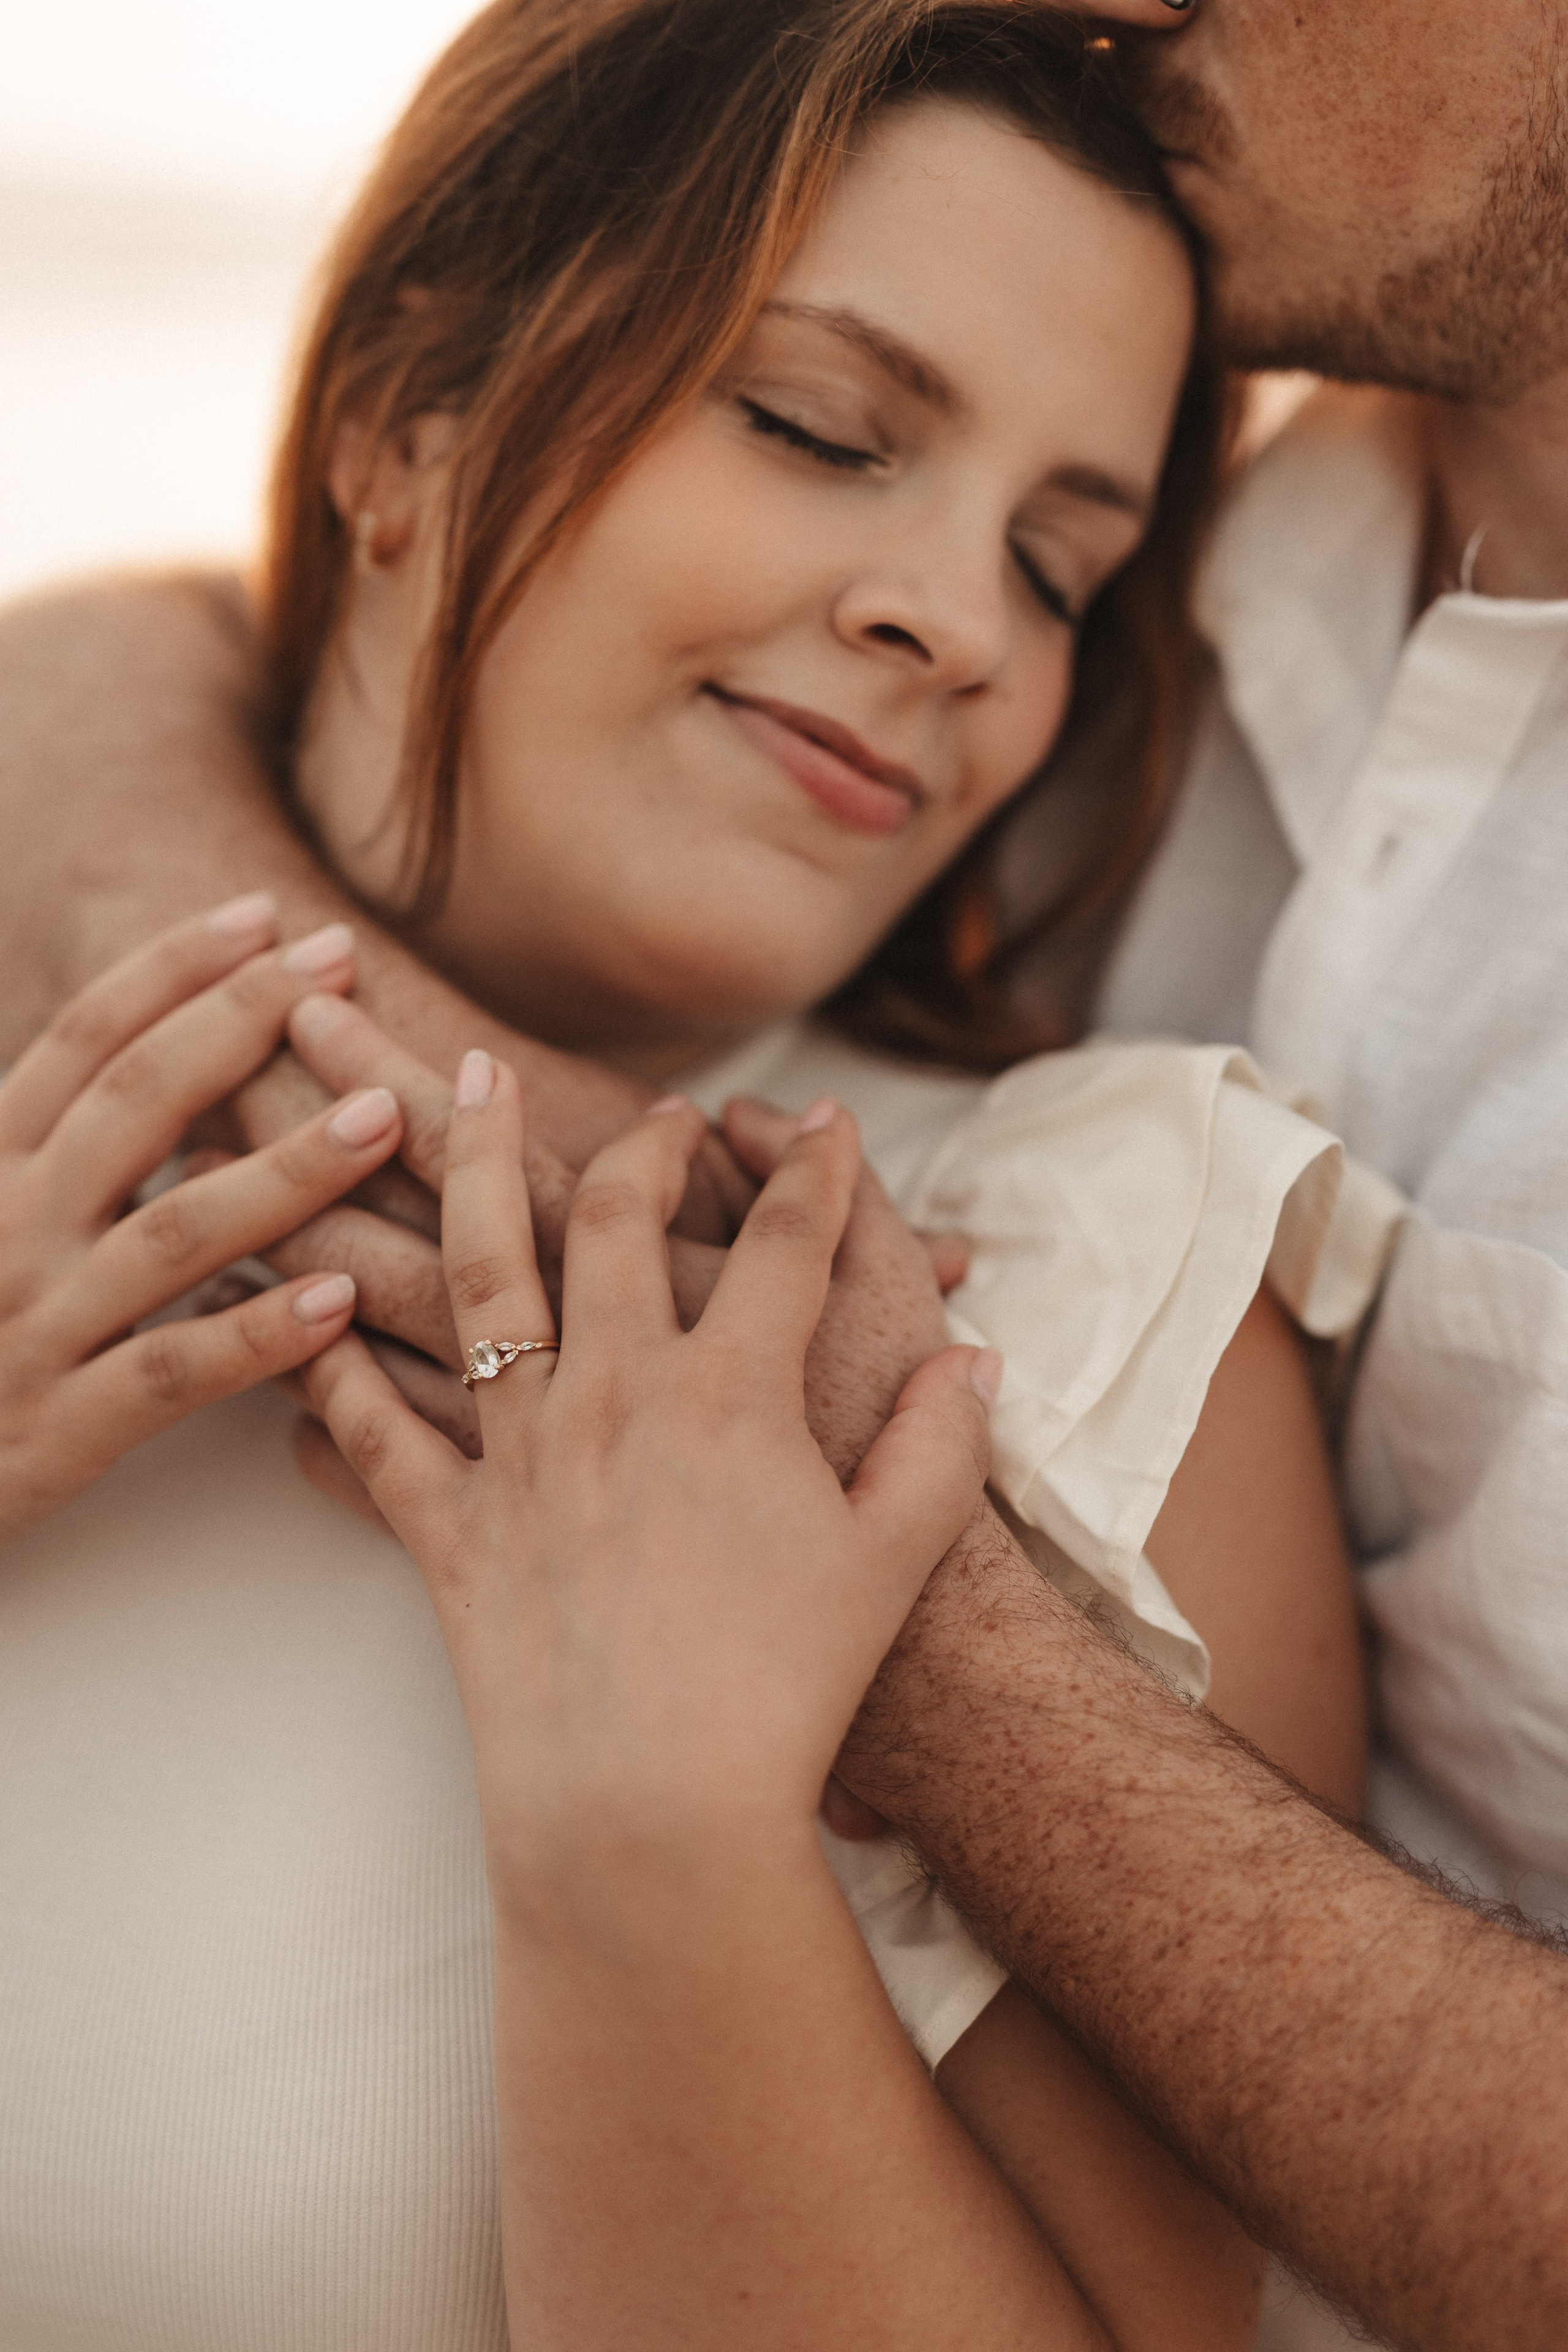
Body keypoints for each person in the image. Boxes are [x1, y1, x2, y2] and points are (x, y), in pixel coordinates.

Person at [7, 0, 1566, 2343]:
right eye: (821, 428)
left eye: (1059, 570)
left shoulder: (1082, 1276)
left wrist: (667, 1820)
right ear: (402, 416)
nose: (955, 625)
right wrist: (242, 994)